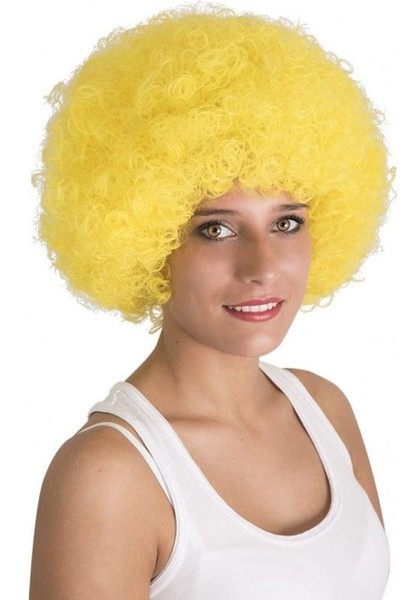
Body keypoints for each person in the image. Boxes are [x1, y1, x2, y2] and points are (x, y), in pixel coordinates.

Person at [30, 6, 392, 599]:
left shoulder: (324, 409)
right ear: (148, 243)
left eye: (287, 222)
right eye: (216, 229)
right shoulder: (109, 474)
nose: (262, 267)